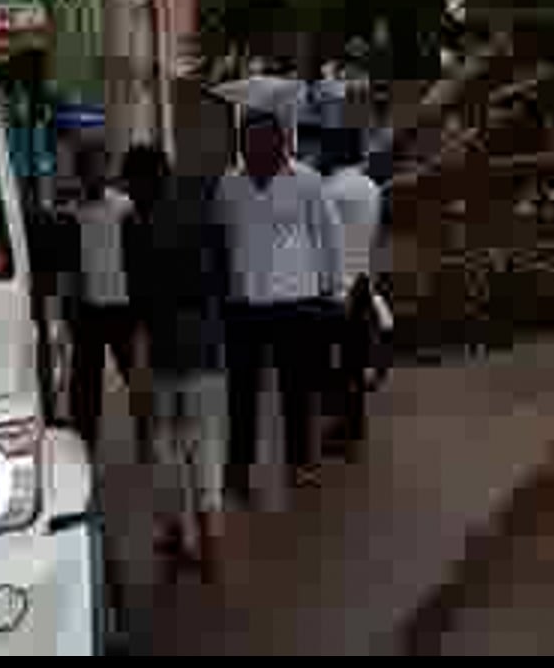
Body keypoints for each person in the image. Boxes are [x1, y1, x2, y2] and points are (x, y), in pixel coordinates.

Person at [216, 108, 345, 498]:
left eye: (260, 138)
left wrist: (332, 289)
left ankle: (299, 461)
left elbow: (328, 235)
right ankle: (239, 467)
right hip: (243, 304)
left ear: (280, 142)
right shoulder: (229, 184)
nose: (252, 146)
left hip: (296, 302)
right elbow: (220, 238)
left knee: (296, 388)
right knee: (241, 392)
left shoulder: (307, 181)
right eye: (246, 140)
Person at [122, 144, 228, 575]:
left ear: (141, 181)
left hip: (163, 348)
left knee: (163, 445)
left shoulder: (134, 225)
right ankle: (211, 541)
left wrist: (139, 351)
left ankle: (174, 533)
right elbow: (220, 276)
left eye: (131, 182)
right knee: (204, 442)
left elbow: (137, 295)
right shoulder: (201, 214)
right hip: (204, 345)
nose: (129, 191)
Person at [67, 140, 147, 454]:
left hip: (123, 307)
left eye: (101, 166)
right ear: (80, 173)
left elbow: (138, 257)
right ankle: (84, 446)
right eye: (89, 168)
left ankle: (146, 436)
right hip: (87, 310)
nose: (96, 174)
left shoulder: (125, 208)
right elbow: (69, 267)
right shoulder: (70, 213)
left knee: (136, 378)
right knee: (85, 387)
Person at [319, 126, 383, 461]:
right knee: (355, 363)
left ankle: (341, 430)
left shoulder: (330, 190)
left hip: (335, 288)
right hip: (361, 282)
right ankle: (354, 429)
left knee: (335, 364)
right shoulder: (371, 188)